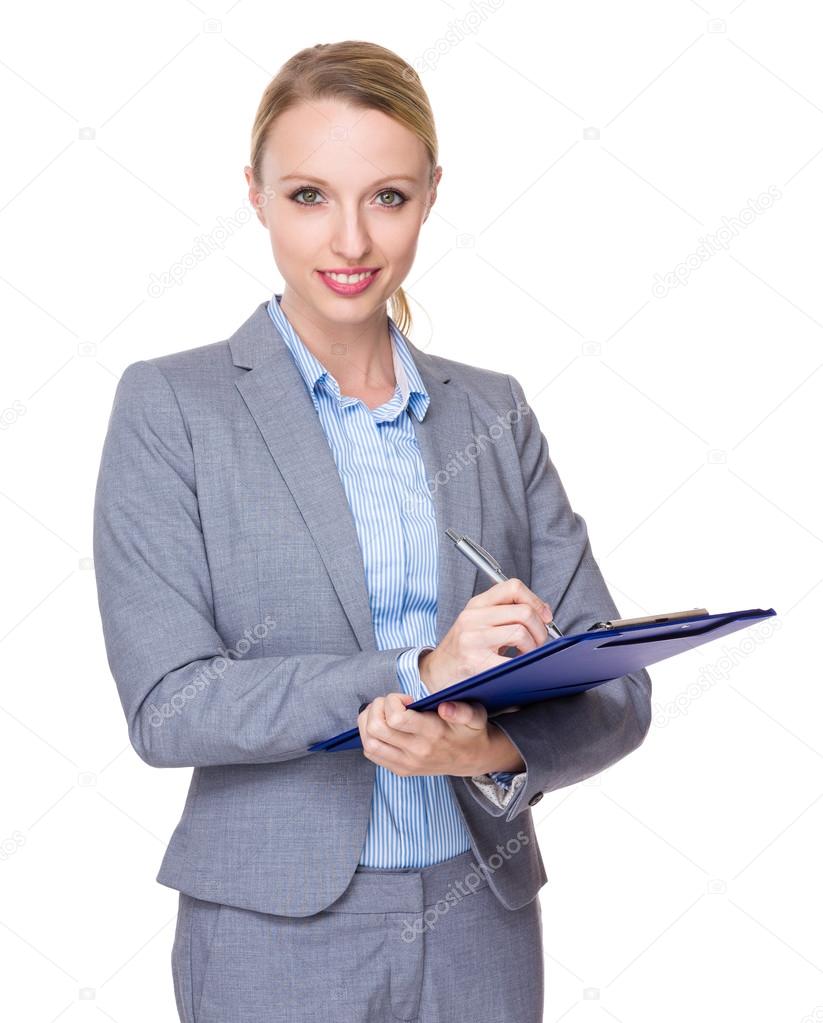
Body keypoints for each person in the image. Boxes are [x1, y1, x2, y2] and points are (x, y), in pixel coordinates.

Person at [92, 39, 653, 1023]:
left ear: (430, 194)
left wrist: (481, 753)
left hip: (477, 922)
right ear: (256, 194)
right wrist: (414, 674)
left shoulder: (491, 413)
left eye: (386, 197)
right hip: (273, 934)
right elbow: (168, 709)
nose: (349, 240)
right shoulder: (171, 406)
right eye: (310, 195)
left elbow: (613, 691)